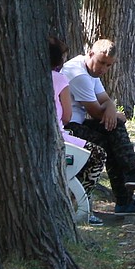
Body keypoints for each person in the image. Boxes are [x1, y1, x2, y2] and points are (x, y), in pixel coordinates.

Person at [62, 38, 135, 216]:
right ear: (90, 54)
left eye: (109, 65)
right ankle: (127, 192)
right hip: (66, 127)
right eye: (101, 63)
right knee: (111, 135)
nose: (103, 69)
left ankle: (131, 181)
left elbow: (106, 100)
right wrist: (115, 113)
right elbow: (96, 112)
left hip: (78, 123)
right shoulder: (79, 74)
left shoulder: (92, 73)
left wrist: (111, 108)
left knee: (114, 127)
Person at [50, 35, 105, 224]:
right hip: (59, 135)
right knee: (98, 155)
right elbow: (66, 117)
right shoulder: (59, 79)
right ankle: (82, 204)